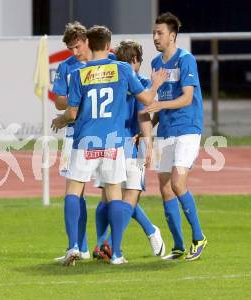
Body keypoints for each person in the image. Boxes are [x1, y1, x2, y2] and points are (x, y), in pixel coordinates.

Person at [52, 25, 167, 265]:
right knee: (114, 193)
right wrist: (155, 85)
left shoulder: (79, 74)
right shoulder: (123, 69)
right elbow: (146, 100)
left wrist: (60, 120)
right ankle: (116, 254)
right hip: (113, 143)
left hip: (85, 141)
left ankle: (74, 246)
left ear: (89, 44)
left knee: (74, 190)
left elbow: (71, 113)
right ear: (108, 45)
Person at [93, 40, 166, 261]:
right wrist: (148, 144)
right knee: (129, 197)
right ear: (135, 60)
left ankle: (102, 244)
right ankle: (115, 248)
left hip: (104, 142)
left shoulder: (108, 81)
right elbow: (144, 114)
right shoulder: (140, 82)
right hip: (128, 145)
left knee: (109, 198)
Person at [145, 12, 207, 261]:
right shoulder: (155, 64)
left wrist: (160, 106)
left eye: (160, 33)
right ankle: (179, 246)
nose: (155, 37)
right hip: (166, 130)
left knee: (178, 184)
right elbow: (157, 101)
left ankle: (199, 237)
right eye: (154, 32)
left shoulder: (186, 60)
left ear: (172, 35)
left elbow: (187, 98)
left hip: (187, 129)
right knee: (165, 188)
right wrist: (149, 124)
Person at [52, 21, 92, 262]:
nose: (75, 53)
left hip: (103, 135)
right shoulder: (66, 67)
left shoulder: (105, 61)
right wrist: (75, 101)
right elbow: (58, 100)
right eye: (71, 49)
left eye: (77, 47)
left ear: (87, 40)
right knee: (76, 191)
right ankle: (79, 246)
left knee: (113, 192)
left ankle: (114, 248)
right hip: (73, 134)